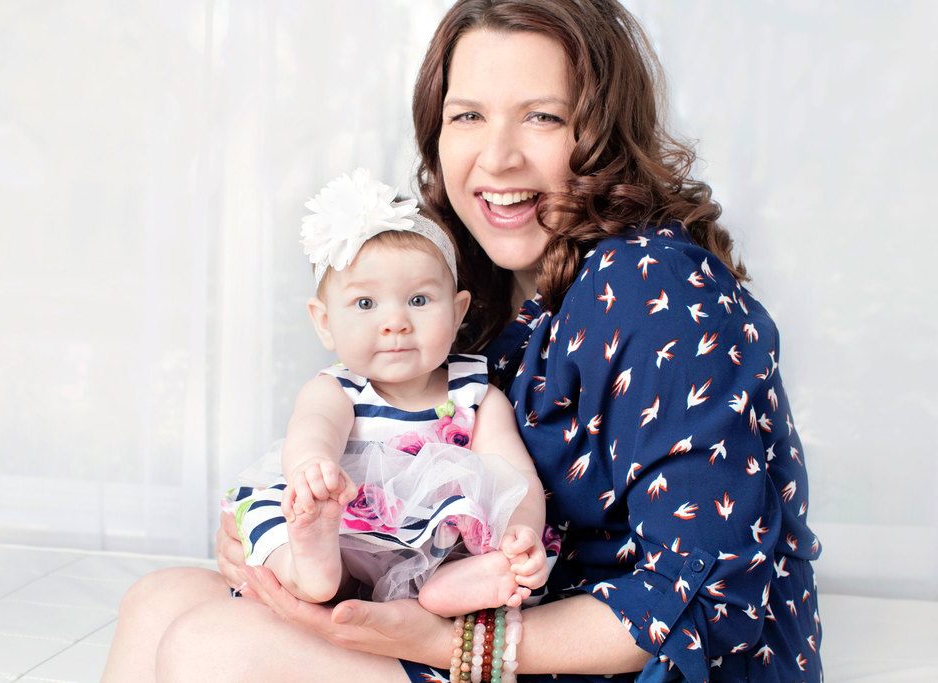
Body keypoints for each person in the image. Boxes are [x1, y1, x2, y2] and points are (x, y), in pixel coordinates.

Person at [103, 1, 823, 681]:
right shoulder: (465, 282)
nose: (497, 158)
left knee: (213, 647)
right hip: (485, 613)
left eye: (542, 117)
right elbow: (394, 465)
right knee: (159, 600)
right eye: (468, 115)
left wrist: (446, 641)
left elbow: (705, 596)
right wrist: (281, 543)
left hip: (629, 658)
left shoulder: (653, 286)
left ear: (601, 132)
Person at [222, 168, 549, 615]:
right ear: (324, 322)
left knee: (473, 529)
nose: (394, 322)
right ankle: (308, 569)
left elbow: (516, 478)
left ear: (457, 313)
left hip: (435, 546)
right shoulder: (338, 390)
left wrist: (522, 532)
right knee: (269, 515)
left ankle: (460, 586)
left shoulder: (476, 395)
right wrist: (313, 470)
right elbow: (313, 431)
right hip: (343, 527)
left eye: (418, 300)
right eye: (365, 304)